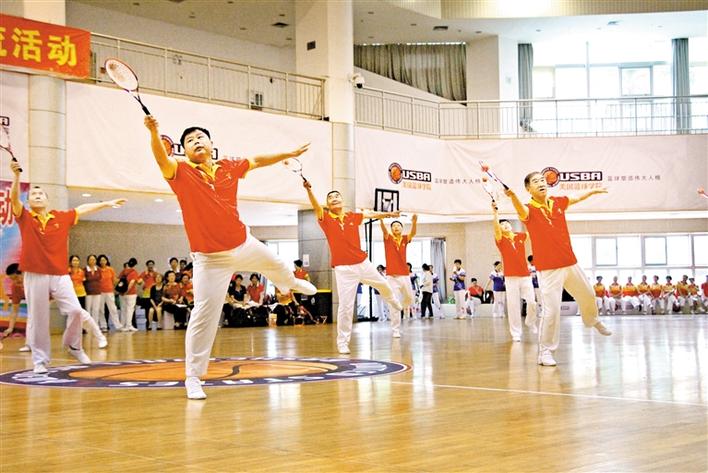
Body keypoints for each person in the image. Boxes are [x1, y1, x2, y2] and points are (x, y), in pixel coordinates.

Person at [144, 116, 316, 399]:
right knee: (203, 315)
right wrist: (154, 132)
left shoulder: (228, 166)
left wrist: (289, 153)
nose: (196, 141)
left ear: (211, 144)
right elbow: (161, 158)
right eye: (189, 140)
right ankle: (193, 377)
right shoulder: (180, 172)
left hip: (243, 243)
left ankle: (290, 284)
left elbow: (257, 160)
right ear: (184, 151)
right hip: (210, 259)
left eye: (200, 137)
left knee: (279, 265)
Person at [9, 160, 125, 373]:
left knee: (75, 310)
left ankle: (73, 345)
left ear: (47, 200)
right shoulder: (25, 217)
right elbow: (14, 199)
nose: (37, 196)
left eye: (40, 194)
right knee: (38, 318)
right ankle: (40, 361)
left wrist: (106, 204)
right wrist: (16, 177)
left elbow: (82, 209)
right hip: (35, 274)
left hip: (60, 274)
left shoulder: (61, 218)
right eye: (33, 194)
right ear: (29, 201)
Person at [504, 171, 611, 367]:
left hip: (570, 262)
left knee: (588, 294)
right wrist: (513, 197)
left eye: (542, 180)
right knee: (551, 311)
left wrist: (592, 191)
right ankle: (545, 352)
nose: (541, 183)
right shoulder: (529, 210)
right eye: (536, 182)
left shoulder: (557, 202)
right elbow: (520, 209)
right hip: (549, 269)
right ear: (528, 189)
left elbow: (576, 197)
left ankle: (592, 320)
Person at [302, 181, 401, 352]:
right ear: (327, 204)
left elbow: (370, 214)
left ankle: (393, 301)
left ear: (342, 201)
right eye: (330, 197)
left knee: (384, 284)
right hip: (343, 269)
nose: (334, 198)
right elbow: (316, 206)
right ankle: (342, 343)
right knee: (346, 307)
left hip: (362, 263)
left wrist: (388, 214)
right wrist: (309, 190)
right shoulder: (325, 218)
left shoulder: (351, 216)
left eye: (337, 196)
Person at [491, 205, 538, 341]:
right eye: (502, 224)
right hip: (510, 277)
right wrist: (495, 214)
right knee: (513, 306)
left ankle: (530, 321)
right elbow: (496, 228)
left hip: (525, 276)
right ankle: (516, 333)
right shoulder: (500, 240)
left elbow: (532, 230)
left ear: (511, 226)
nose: (505, 225)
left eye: (507, 223)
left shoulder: (520, 236)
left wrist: (527, 215)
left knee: (532, 302)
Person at [379, 214, 418, 334]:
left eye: (398, 225)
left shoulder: (405, 239)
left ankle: (399, 306)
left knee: (410, 298)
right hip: (392, 277)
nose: (396, 227)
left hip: (404, 275)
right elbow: (384, 230)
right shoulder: (388, 238)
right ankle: (395, 330)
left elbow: (413, 233)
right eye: (394, 226)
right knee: (393, 304)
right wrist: (381, 220)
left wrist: (414, 222)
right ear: (391, 229)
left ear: (402, 228)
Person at [69, 255, 108, 348]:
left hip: (82, 293)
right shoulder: (68, 271)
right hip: (72, 294)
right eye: (74, 260)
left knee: (87, 312)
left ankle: (94, 331)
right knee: (75, 313)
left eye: (77, 260)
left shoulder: (81, 271)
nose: (75, 262)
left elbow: (83, 281)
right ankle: (75, 332)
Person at [97, 254, 123, 331]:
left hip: (109, 291)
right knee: (101, 309)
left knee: (113, 309)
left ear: (106, 261)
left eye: (104, 260)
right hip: (100, 292)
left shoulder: (110, 269)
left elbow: (114, 280)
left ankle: (118, 325)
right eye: (101, 260)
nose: (103, 261)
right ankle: (103, 325)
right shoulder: (97, 270)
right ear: (99, 261)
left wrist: (120, 282)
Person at [3, 263, 25, 338]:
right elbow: (14, 310)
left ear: (23, 273)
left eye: (16, 277)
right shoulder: (15, 287)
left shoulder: (35, 283)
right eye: (12, 279)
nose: (16, 281)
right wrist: (10, 328)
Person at [117, 257, 140, 332]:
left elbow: (118, 280)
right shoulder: (134, 272)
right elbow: (132, 283)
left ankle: (122, 325)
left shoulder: (123, 271)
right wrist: (126, 291)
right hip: (131, 293)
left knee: (123, 309)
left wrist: (121, 291)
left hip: (121, 293)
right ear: (135, 265)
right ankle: (128, 325)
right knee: (130, 309)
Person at [83, 255, 104, 331]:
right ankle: (87, 326)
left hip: (97, 291)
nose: (92, 261)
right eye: (90, 259)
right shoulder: (85, 270)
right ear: (88, 261)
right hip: (88, 292)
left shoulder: (98, 269)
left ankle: (95, 325)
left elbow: (100, 279)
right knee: (88, 309)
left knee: (96, 309)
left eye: (94, 259)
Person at [138, 260, 158, 327]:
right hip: (146, 293)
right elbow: (139, 282)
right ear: (147, 266)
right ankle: (148, 322)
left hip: (154, 292)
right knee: (147, 308)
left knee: (154, 306)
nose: (151, 266)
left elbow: (160, 281)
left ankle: (155, 321)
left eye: (152, 264)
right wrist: (145, 275)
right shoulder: (144, 273)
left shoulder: (156, 273)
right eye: (149, 264)